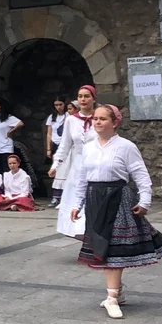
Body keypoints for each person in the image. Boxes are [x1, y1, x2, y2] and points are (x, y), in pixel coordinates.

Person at [69, 104, 162, 319]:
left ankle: (112, 297)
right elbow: (82, 178)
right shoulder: (88, 147)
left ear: (114, 122)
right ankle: (117, 291)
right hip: (95, 199)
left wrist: (145, 201)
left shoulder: (126, 147)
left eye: (103, 119)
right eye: (95, 118)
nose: (97, 122)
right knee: (102, 244)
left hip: (118, 199)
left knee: (112, 246)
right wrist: (77, 204)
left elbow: (141, 175)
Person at [51, 84, 98, 233]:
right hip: (79, 164)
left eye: (87, 96)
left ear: (93, 99)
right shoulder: (71, 120)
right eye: (80, 96)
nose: (83, 99)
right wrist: (55, 165)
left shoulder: (99, 118)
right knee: (77, 198)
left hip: (97, 162)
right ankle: (81, 231)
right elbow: (64, 145)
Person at [0, 98, 23, 174]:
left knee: (7, 170)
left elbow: (20, 123)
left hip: (6, 147)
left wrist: (11, 131)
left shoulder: (9, 117)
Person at [44, 97, 68, 169]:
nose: (58, 107)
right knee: (55, 165)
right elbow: (49, 134)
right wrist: (48, 149)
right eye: (56, 105)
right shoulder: (52, 117)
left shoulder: (68, 115)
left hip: (65, 143)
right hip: (55, 144)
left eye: (60, 104)